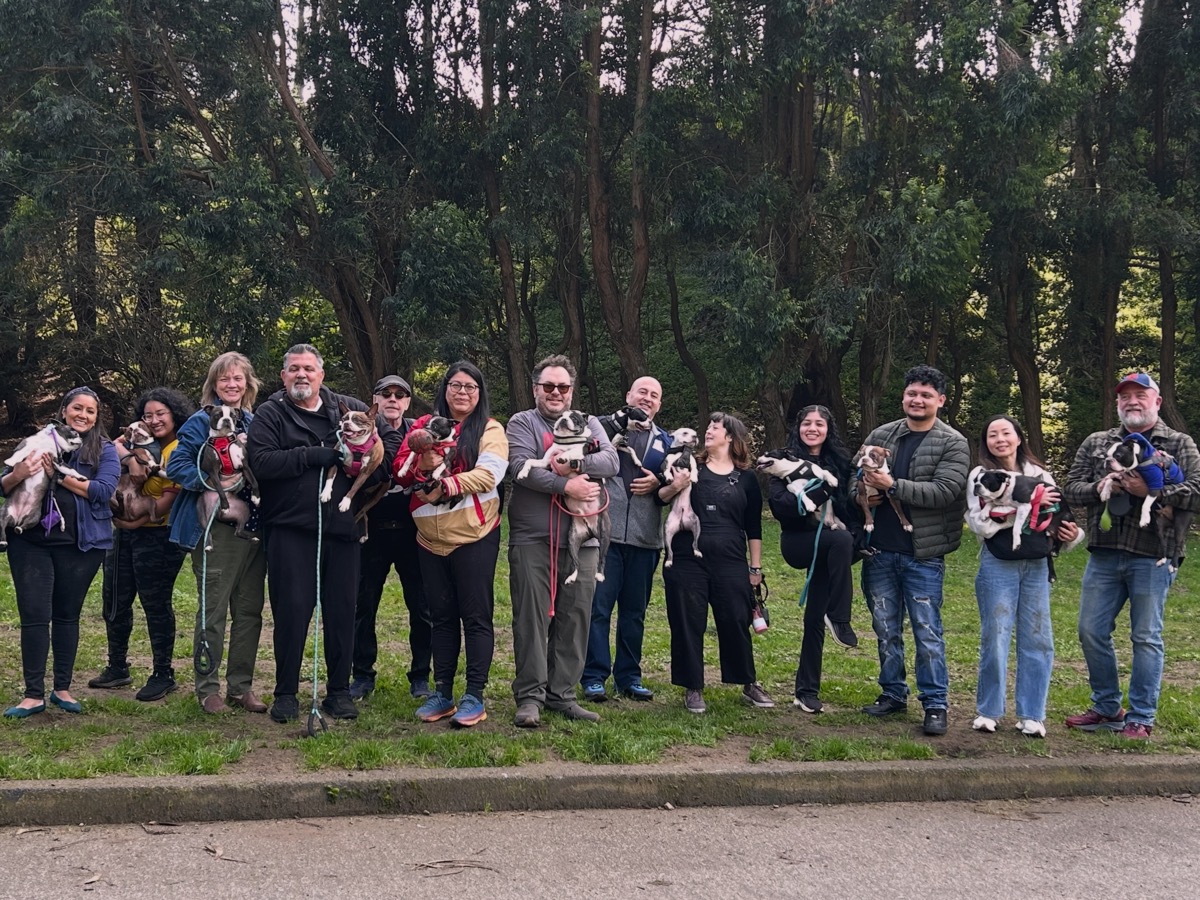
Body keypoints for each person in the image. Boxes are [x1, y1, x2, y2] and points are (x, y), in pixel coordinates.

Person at [246, 344, 400, 724]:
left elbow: (384, 455)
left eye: (309, 369)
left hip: (343, 529)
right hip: (290, 528)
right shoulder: (271, 412)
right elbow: (261, 462)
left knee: (342, 612)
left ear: (321, 375)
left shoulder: (346, 408)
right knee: (292, 611)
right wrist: (312, 455)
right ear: (283, 376)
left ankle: (338, 691)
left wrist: (371, 465)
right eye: (294, 369)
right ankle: (285, 693)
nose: (302, 375)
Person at [1063, 372, 1200, 740]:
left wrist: (1149, 490)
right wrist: (1101, 487)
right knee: (1090, 631)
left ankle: (1141, 717)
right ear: (1118, 403)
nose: (1132, 402)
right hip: (1105, 552)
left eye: (1141, 395)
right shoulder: (1098, 442)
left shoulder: (1177, 442)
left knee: (1146, 636)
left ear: (1157, 401)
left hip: (1153, 554)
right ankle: (1107, 707)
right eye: (1126, 397)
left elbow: (1197, 492)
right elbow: (1071, 489)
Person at [855, 365, 969, 736]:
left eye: (925, 395)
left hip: (923, 554)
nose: (917, 400)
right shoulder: (882, 434)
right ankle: (893, 693)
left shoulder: (953, 442)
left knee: (927, 630)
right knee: (885, 628)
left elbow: (945, 492)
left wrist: (893, 485)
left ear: (940, 400)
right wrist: (864, 494)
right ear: (903, 396)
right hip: (879, 552)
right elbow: (853, 482)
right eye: (911, 394)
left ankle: (935, 703)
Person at [393, 361, 508, 727]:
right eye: (455, 385)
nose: (462, 392)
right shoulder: (423, 425)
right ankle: (442, 692)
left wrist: (447, 486)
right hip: (429, 538)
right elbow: (400, 469)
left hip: (474, 534)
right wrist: (422, 465)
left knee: (475, 617)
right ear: (445, 389)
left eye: (470, 387)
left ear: (480, 393)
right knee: (440, 618)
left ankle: (475, 694)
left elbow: (490, 473)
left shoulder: (490, 429)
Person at [506, 355, 619, 727]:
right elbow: (519, 468)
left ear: (572, 391)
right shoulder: (522, 422)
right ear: (535, 388)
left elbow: (611, 462)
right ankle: (530, 697)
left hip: (584, 537)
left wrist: (577, 465)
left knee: (575, 616)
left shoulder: (591, 423)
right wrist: (565, 483)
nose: (556, 393)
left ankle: (563, 693)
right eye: (548, 386)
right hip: (532, 536)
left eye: (563, 387)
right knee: (532, 618)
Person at [2, 387, 119, 718]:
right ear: (64, 410)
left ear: (96, 417)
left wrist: (58, 475)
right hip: (29, 541)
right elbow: (3, 484)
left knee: (67, 615)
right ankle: (32, 694)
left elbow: (102, 491)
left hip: (81, 546)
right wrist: (19, 474)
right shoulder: (38, 440)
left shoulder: (104, 450)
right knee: (35, 615)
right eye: (77, 408)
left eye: (90, 411)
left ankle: (62, 689)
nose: (83, 415)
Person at [964, 415, 1081, 739]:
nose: (999, 439)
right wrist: (1022, 508)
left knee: (1038, 638)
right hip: (998, 562)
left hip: (1037, 564)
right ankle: (988, 711)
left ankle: (1032, 714)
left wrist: (1071, 534)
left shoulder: (1039, 473)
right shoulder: (981, 476)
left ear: (1018, 437)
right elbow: (978, 523)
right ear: (985, 442)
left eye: (1005, 433)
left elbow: (1056, 514)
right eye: (992, 434)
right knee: (995, 636)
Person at [167, 352, 269, 715]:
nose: (231, 384)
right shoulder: (199, 422)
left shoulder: (257, 420)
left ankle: (241, 687)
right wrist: (215, 483)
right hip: (215, 528)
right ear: (214, 385)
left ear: (248, 384)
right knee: (213, 611)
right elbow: (176, 466)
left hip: (254, 528)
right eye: (224, 379)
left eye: (238, 378)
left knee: (250, 610)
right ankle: (207, 689)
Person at [658, 411, 773, 714]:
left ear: (731, 437)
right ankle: (692, 687)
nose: (708, 431)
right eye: (707, 426)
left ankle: (747, 682)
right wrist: (675, 484)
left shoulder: (747, 478)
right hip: (686, 555)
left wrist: (755, 568)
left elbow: (754, 527)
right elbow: (661, 496)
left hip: (731, 558)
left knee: (736, 618)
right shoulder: (689, 466)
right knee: (687, 621)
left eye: (715, 428)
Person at [89, 387, 194, 702]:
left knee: (155, 603)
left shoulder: (180, 447)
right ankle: (117, 666)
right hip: (122, 534)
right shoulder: (133, 442)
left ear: (174, 415)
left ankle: (163, 673)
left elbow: (172, 497)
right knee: (115, 598)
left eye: (161, 413)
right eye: (148, 415)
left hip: (159, 535)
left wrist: (136, 521)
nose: (154, 420)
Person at [581, 376, 673, 703]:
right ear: (629, 395)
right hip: (604, 534)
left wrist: (659, 480)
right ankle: (593, 677)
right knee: (598, 609)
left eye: (654, 395)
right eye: (642, 392)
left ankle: (629, 678)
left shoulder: (668, 441)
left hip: (646, 539)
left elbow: (677, 481)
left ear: (659, 404)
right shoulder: (602, 430)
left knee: (634, 613)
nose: (647, 398)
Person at [767, 405, 862, 715]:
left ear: (828, 429)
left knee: (813, 618)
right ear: (798, 428)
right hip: (798, 542)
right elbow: (784, 508)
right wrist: (822, 490)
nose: (812, 428)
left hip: (832, 547)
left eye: (819, 424)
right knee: (840, 539)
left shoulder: (840, 463)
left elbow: (851, 504)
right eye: (806, 422)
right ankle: (840, 617)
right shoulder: (783, 460)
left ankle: (806, 691)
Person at [350, 375, 431, 703]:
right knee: (364, 605)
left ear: (408, 401)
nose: (393, 399)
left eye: (400, 395)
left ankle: (421, 677)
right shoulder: (361, 430)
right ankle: (362, 676)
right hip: (373, 528)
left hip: (413, 530)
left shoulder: (421, 433)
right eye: (386, 394)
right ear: (376, 399)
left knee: (421, 606)